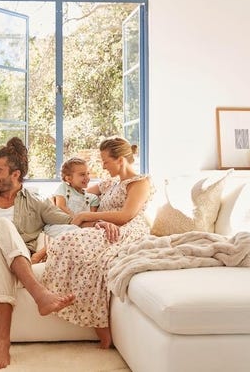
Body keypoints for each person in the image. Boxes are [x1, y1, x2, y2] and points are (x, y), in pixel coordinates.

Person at [0, 137, 76, 370]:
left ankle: (2, 343)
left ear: (15, 174)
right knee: (3, 226)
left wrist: (101, 221)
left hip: (4, 259)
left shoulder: (37, 203)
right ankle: (40, 294)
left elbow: (70, 221)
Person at [42, 136, 154, 349]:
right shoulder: (109, 183)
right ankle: (87, 316)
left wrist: (88, 216)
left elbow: (126, 215)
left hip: (127, 230)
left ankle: (99, 324)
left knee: (74, 244)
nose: (102, 166)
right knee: (69, 240)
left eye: (105, 161)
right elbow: (75, 192)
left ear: (120, 160)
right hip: (103, 227)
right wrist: (59, 201)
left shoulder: (139, 183)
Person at [35, 157, 100, 263]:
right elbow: (61, 206)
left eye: (88, 174)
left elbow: (91, 216)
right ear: (69, 179)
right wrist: (76, 219)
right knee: (73, 230)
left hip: (78, 227)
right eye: (82, 174)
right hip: (58, 225)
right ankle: (39, 255)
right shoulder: (64, 188)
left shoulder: (92, 198)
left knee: (84, 233)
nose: (87, 177)